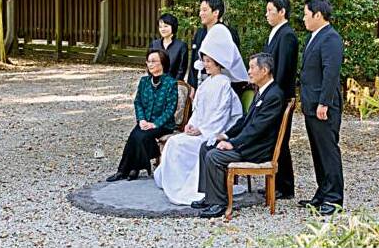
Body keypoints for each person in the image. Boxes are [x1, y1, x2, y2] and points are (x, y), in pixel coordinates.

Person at [191, 53, 285, 218]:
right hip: (250, 143)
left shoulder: (274, 95)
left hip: (257, 149)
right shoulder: (262, 91)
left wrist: (233, 143)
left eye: (252, 68)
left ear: (265, 70)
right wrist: (225, 136)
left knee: (214, 156)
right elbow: (244, 122)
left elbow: (257, 129)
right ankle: (210, 196)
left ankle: (219, 204)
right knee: (206, 146)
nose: (248, 72)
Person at [153, 48, 244, 205]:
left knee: (179, 144)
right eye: (204, 61)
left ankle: (187, 186)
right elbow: (197, 111)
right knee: (174, 141)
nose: (205, 64)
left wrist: (202, 130)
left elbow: (221, 115)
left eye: (209, 61)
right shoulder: (206, 83)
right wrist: (190, 125)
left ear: (218, 63)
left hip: (213, 132)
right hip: (200, 129)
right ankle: (173, 182)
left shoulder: (224, 83)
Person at [298, 0, 344, 215]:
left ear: (318, 15)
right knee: (317, 151)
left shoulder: (331, 38)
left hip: (323, 105)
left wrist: (324, 102)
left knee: (328, 150)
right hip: (311, 104)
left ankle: (334, 198)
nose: (303, 18)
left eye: (306, 14)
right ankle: (323, 192)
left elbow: (331, 73)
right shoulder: (314, 37)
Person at [107, 49, 178, 182]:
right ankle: (125, 170)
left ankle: (130, 169)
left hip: (163, 124)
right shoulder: (144, 81)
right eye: (148, 61)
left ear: (162, 63)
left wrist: (154, 124)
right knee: (135, 134)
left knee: (140, 136)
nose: (150, 64)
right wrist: (141, 119)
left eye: (153, 61)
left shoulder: (170, 83)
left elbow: (170, 109)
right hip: (145, 122)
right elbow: (138, 102)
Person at [262, 0, 299, 200]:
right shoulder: (275, 33)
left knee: (280, 140)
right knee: (273, 139)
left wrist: (274, 94)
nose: (267, 14)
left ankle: (285, 186)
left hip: (280, 96)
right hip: (272, 94)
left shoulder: (287, 35)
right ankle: (275, 181)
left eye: (270, 10)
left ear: (282, 11)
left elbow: (284, 70)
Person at [187, 0, 243, 97]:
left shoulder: (229, 33)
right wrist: (192, 85)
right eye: (200, 10)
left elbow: (230, 62)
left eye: (204, 10)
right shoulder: (199, 33)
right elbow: (193, 61)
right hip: (201, 83)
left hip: (222, 85)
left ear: (216, 12)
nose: (200, 14)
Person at [150, 13, 189, 81]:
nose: (162, 29)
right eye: (160, 27)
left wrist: (172, 85)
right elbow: (149, 66)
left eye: (166, 26)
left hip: (173, 84)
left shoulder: (181, 46)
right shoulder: (154, 44)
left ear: (173, 27)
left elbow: (181, 71)